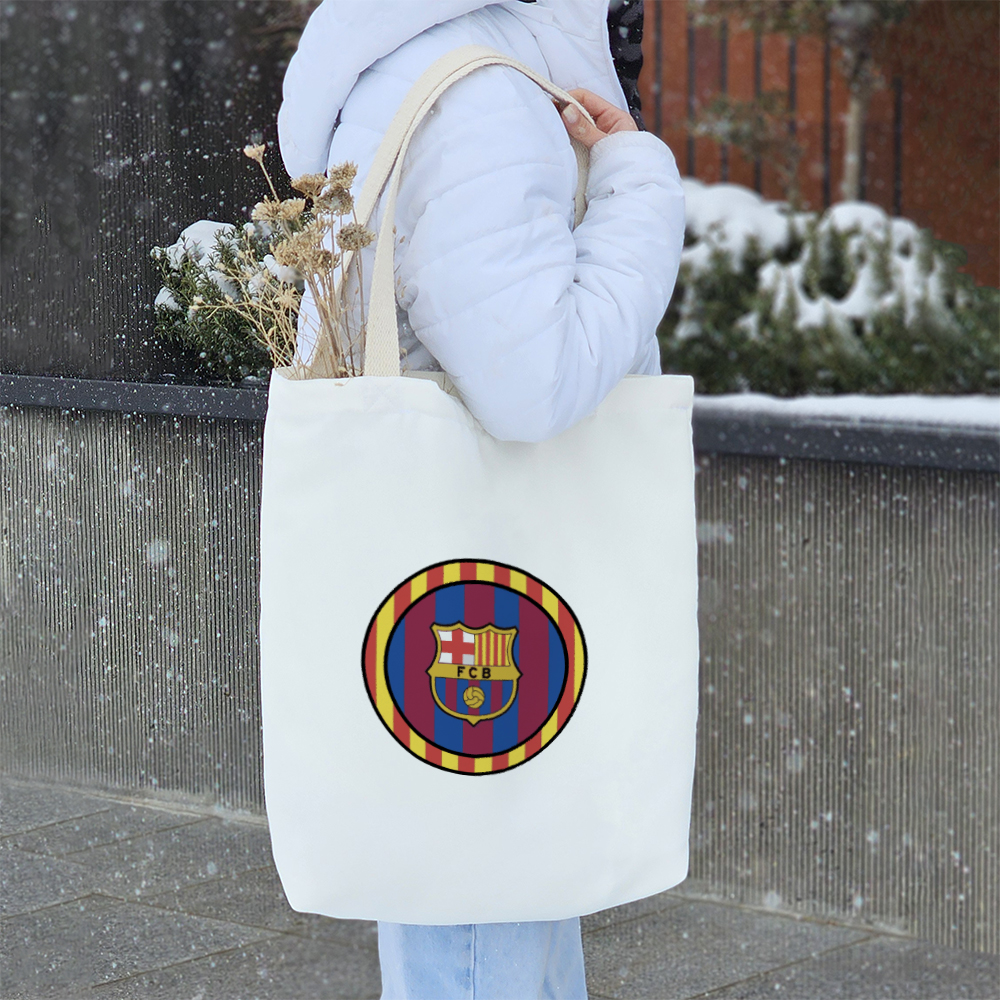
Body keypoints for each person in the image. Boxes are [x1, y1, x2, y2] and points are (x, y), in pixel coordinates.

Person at [278, 1, 685, 996]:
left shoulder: (431, 60)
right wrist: (637, 185)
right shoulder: (479, 95)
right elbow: (532, 384)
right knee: (482, 910)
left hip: (453, 564)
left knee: (487, 887)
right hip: (491, 574)